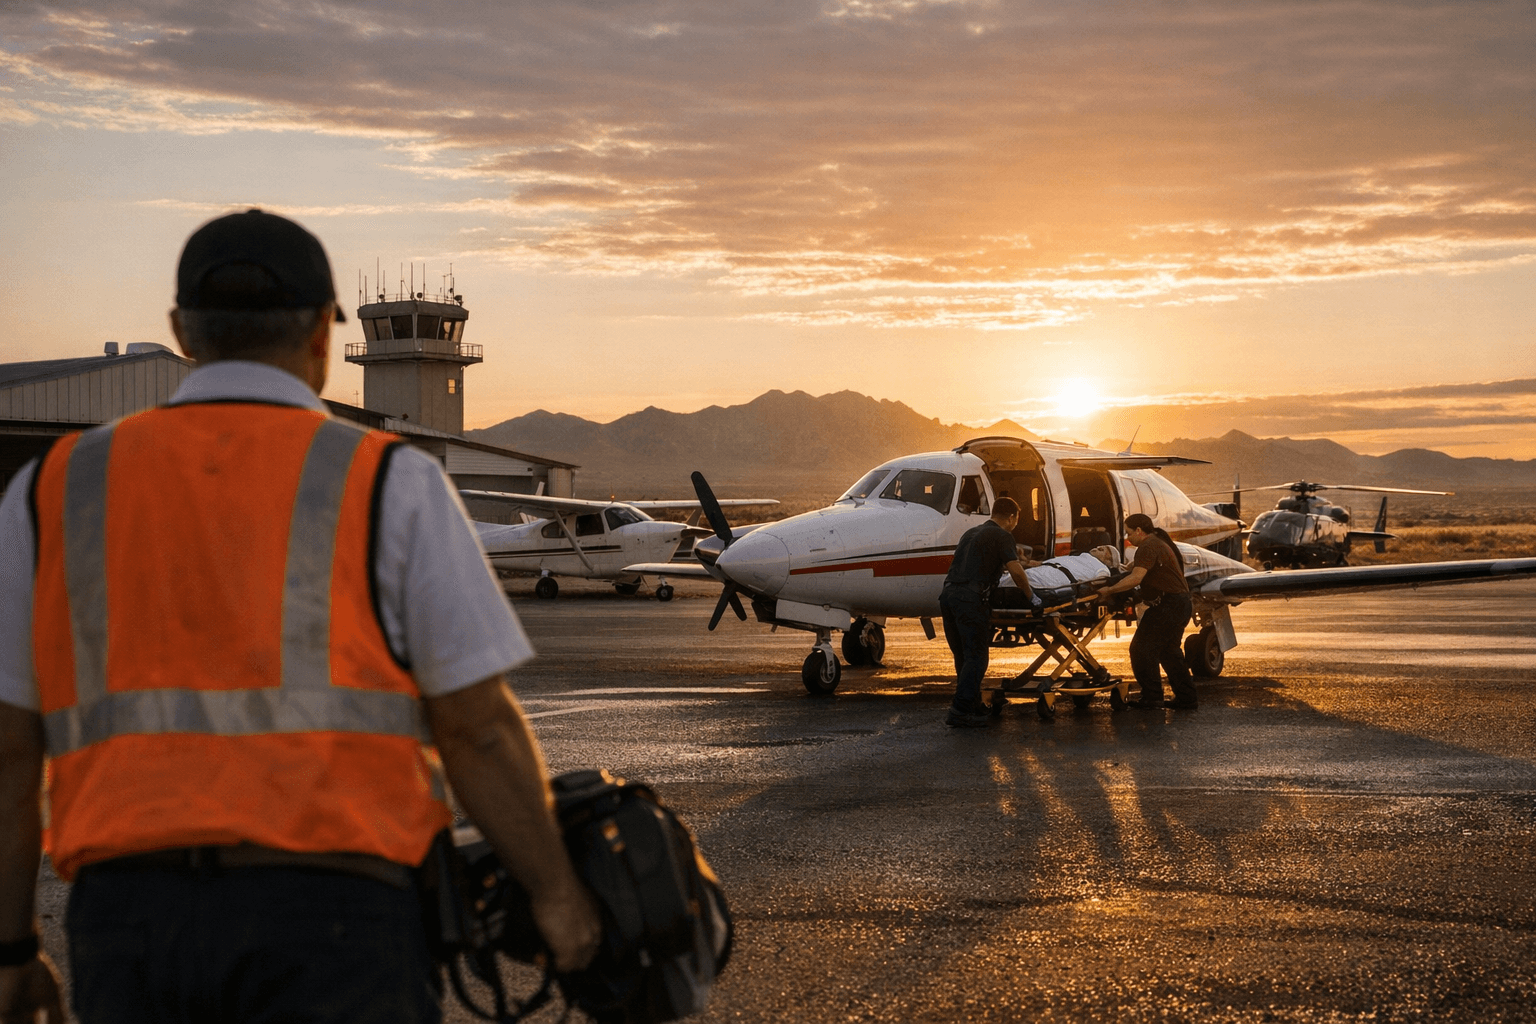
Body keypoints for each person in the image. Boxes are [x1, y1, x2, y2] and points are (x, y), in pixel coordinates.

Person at [0, 208, 601, 1023]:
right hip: (340, 922)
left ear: (182, 331)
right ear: (326, 331)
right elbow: (478, 729)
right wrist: (557, 895)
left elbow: (8, 748)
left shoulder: (50, 490)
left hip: (132, 923)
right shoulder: (392, 480)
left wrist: (9, 948)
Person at [939, 496, 1031, 727]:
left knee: (963, 655)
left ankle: (971, 704)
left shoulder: (970, 533)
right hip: (971, 599)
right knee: (977, 657)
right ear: (1011, 517)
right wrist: (1032, 596)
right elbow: (1017, 572)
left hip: (948, 597)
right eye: (1016, 520)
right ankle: (959, 710)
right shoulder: (1002, 535)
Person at [1094, 513, 1199, 710]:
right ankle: (1187, 698)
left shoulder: (1148, 546)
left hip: (1168, 605)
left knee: (1141, 649)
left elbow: (1136, 578)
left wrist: (1109, 590)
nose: (1127, 538)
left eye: (1129, 533)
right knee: (1169, 652)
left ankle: (1152, 697)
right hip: (1180, 603)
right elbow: (1138, 571)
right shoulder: (1158, 542)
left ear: (1139, 531)